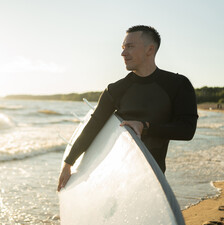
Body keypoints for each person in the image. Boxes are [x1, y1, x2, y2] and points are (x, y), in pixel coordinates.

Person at [57, 25, 198, 191]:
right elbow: (93, 127)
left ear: (150, 49)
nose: (123, 53)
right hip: (116, 177)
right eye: (123, 48)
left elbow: (186, 130)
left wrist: (145, 127)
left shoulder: (177, 85)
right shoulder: (115, 90)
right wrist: (68, 163)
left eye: (130, 47)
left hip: (153, 179)